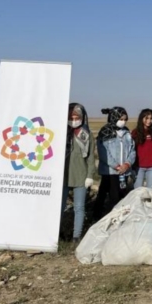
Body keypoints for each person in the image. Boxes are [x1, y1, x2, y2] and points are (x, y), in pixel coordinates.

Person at [93, 107, 135, 220]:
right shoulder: (105, 132)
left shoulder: (127, 133)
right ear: (114, 118)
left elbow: (132, 150)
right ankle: (99, 218)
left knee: (121, 195)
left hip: (124, 172)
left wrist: (127, 164)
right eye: (121, 118)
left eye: (125, 119)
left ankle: (117, 218)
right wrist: (116, 166)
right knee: (110, 196)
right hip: (110, 171)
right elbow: (103, 153)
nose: (123, 121)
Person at [63, 103, 95, 242]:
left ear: (82, 117)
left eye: (77, 116)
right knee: (60, 207)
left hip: (81, 176)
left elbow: (91, 157)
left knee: (79, 207)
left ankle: (76, 235)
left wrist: (89, 175)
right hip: (63, 177)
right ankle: (58, 232)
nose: (74, 119)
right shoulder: (62, 133)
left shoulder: (86, 134)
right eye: (71, 117)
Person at [131, 109, 152, 189]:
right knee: (137, 191)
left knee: (151, 190)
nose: (149, 121)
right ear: (141, 118)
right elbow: (131, 150)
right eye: (146, 118)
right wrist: (131, 167)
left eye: (151, 118)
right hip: (138, 167)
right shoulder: (135, 133)